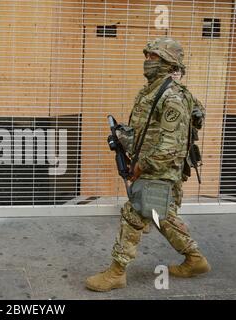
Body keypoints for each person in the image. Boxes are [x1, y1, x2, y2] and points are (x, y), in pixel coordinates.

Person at [85, 38, 210, 292]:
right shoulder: (152, 90)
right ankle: (196, 260)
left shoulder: (172, 96)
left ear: (168, 63)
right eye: (148, 56)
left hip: (160, 169)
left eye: (153, 57)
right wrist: (125, 138)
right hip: (154, 165)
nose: (147, 61)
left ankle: (116, 272)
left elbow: (170, 146)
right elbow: (149, 131)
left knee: (133, 214)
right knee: (161, 215)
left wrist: (142, 166)